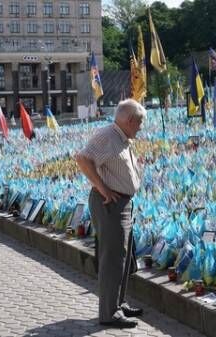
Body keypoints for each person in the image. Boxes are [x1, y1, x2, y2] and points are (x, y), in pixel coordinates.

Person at [75, 99, 145, 329]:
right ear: (129, 120)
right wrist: (101, 187)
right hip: (110, 203)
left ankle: (118, 303)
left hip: (122, 203)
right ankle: (108, 313)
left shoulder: (122, 138)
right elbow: (82, 159)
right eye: (140, 122)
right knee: (112, 259)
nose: (141, 127)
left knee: (122, 259)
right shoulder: (108, 136)